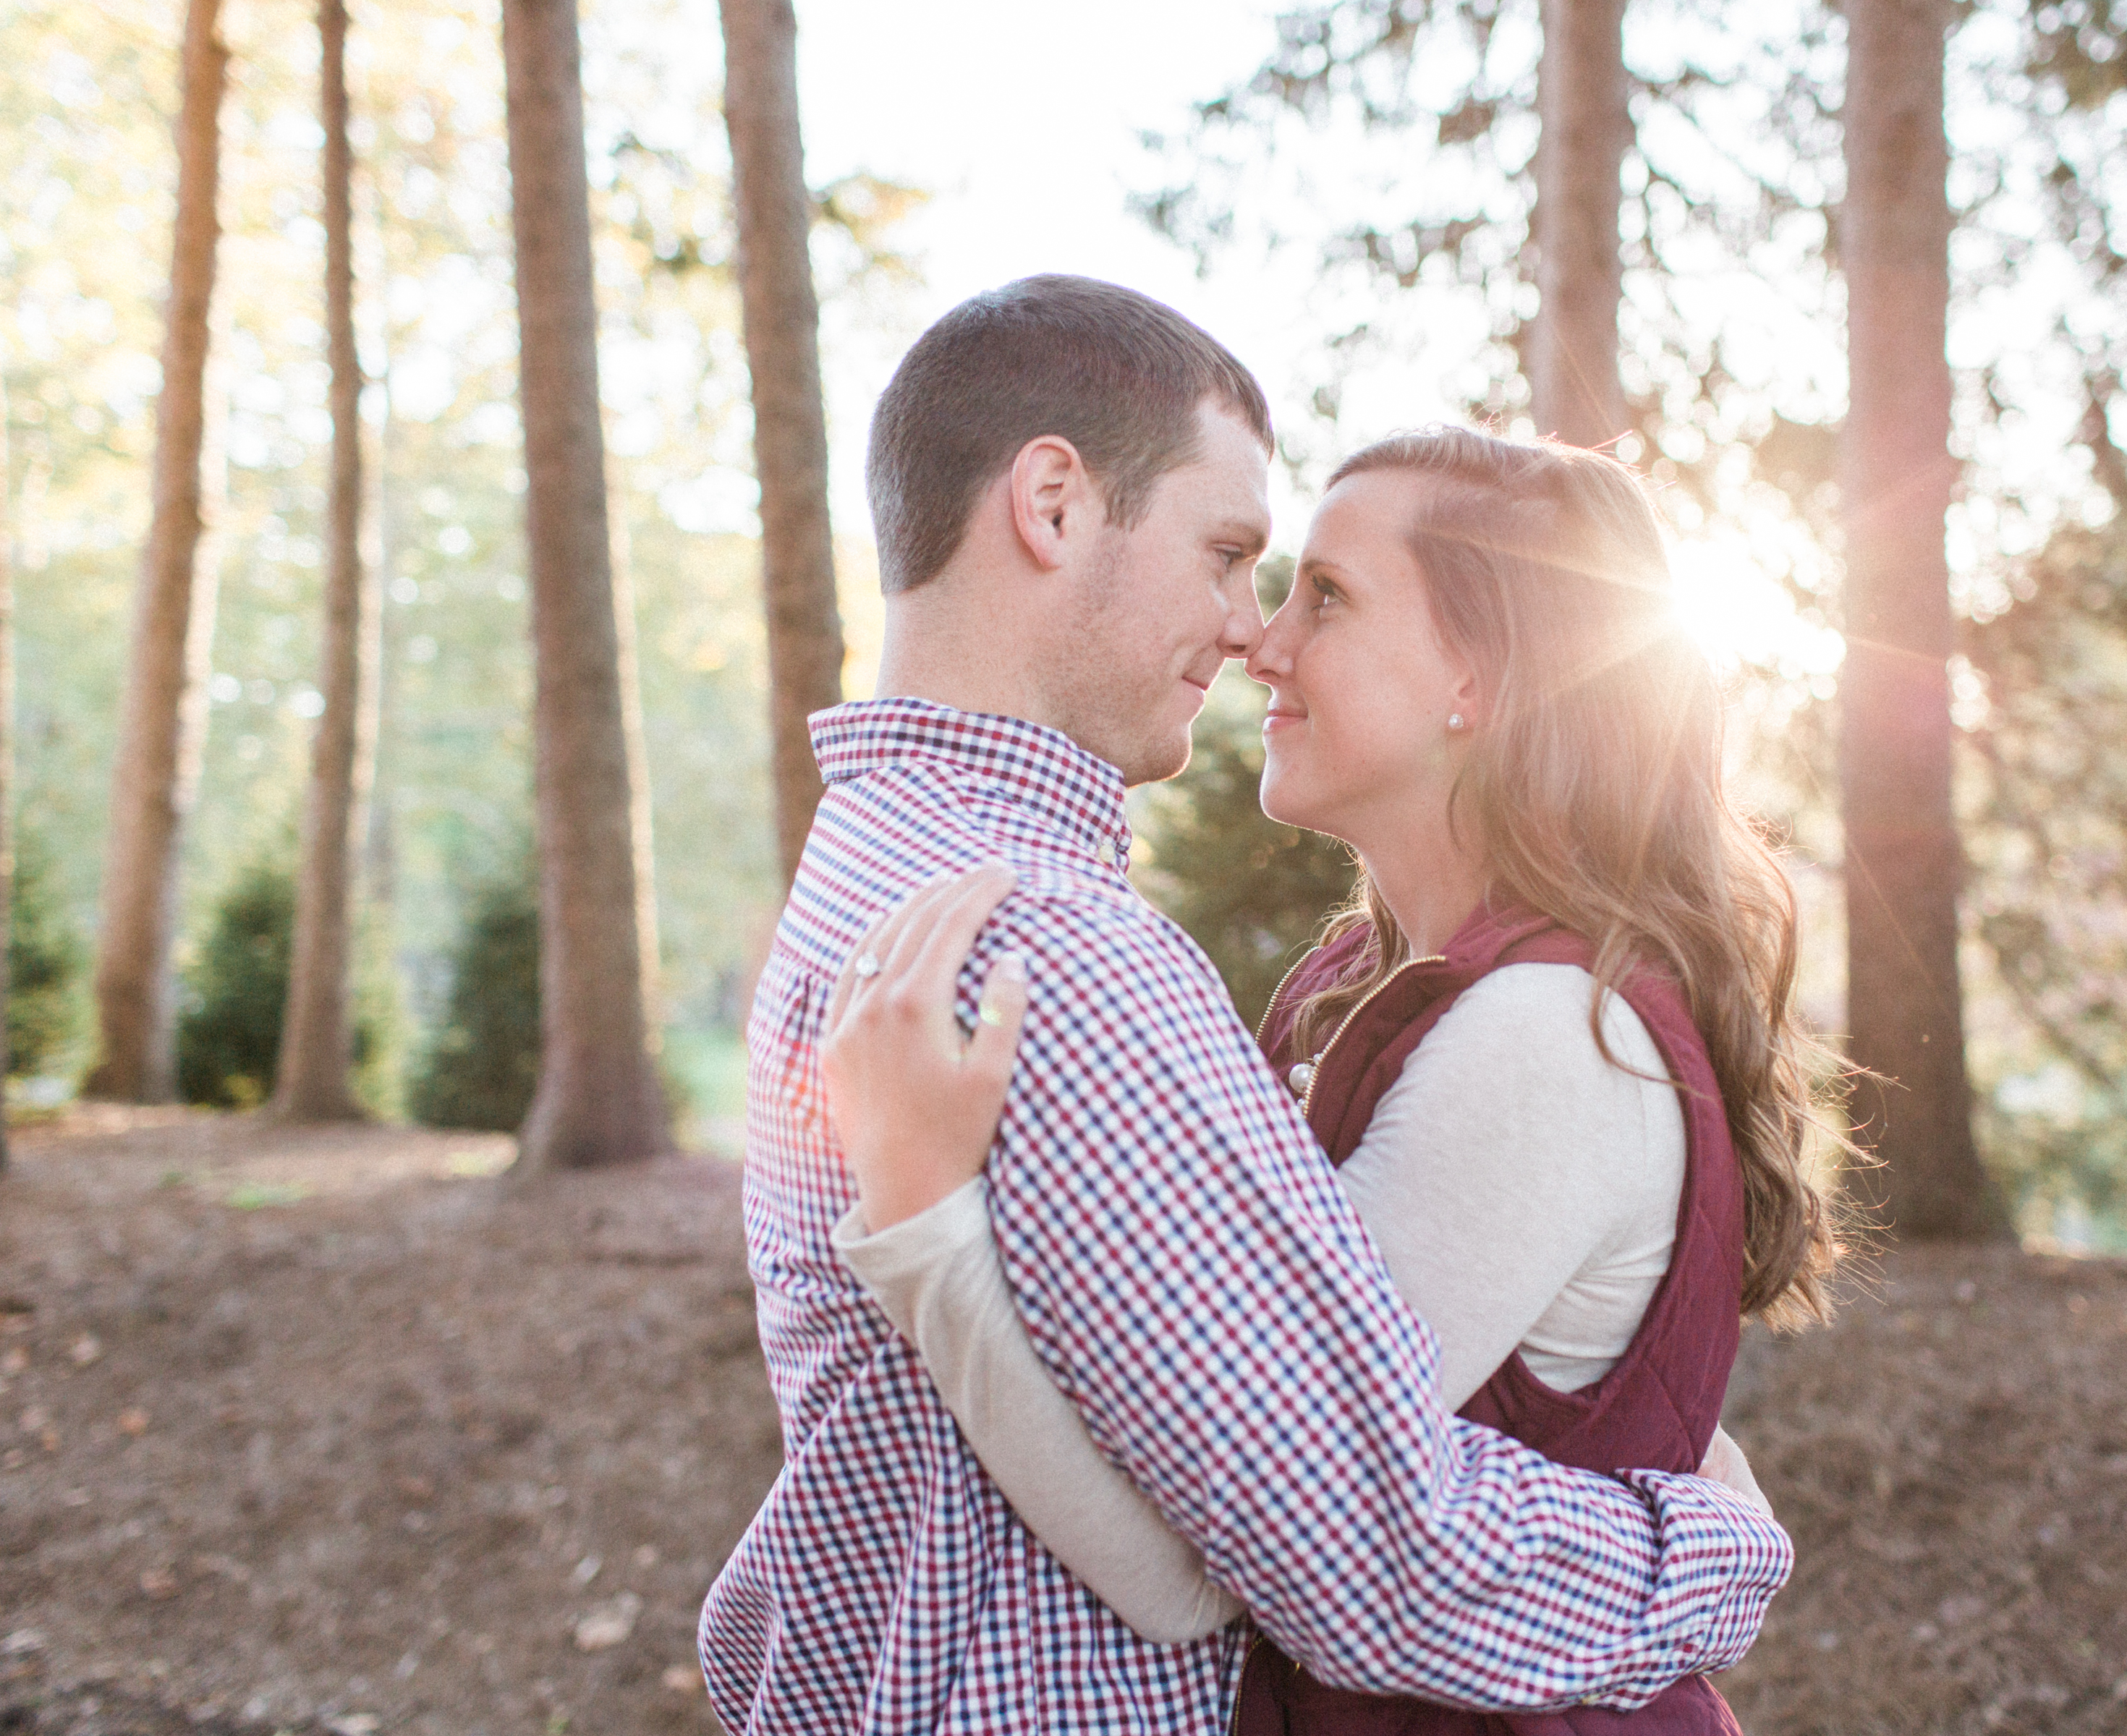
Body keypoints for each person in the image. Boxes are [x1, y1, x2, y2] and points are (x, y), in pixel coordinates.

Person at [697, 276, 1796, 1735]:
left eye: (1311, 594)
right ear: (1054, 504)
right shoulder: (1062, 952)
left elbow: (1316, 1541)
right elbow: (1330, 1556)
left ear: (1484, 680)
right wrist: (1714, 1552)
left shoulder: (883, 865)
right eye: (1234, 557)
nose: (1250, 635)